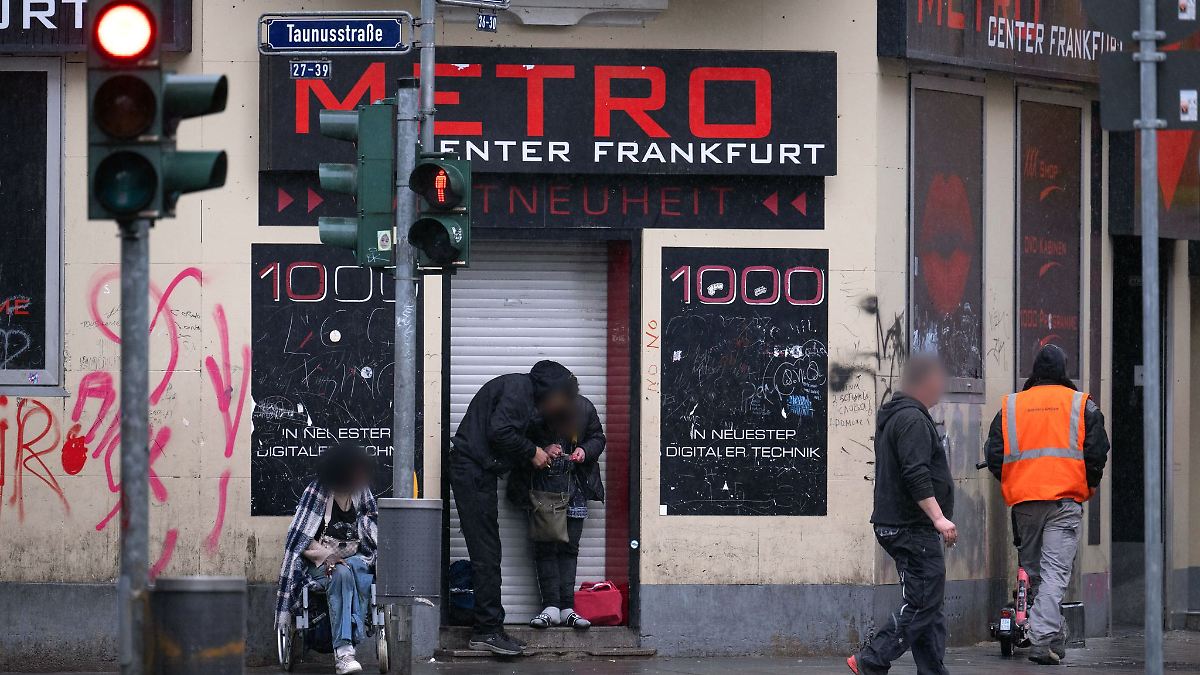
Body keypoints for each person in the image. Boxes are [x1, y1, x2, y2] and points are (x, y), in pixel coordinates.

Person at [984, 344, 1109, 665]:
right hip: (1064, 501)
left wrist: (1015, 480)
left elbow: (994, 454)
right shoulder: (1081, 405)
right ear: (1064, 371)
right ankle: (1041, 639)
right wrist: (1088, 483)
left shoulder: (1011, 407)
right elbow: (1097, 451)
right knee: (1055, 572)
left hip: (1024, 503)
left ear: (1034, 372)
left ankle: (1054, 635)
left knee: (1035, 572)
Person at [449, 360, 580, 655]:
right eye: (561, 398)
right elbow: (500, 432)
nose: (559, 406)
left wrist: (539, 449)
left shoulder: (523, 394)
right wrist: (532, 451)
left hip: (478, 472)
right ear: (552, 389)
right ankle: (485, 631)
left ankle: (492, 627)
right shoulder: (519, 390)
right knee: (486, 553)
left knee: (489, 552)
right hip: (471, 471)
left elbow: (509, 434)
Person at [849, 355, 955, 675]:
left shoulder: (902, 416)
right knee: (922, 603)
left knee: (929, 604)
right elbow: (915, 474)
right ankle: (872, 658)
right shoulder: (912, 420)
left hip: (903, 526)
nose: (943, 387)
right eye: (939, 379)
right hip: (911, 528)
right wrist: (938, 518)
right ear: (925, 382)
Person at [276, 443, 379, 675]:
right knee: (342, 573)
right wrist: (327, 556)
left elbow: (373, 524)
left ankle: (354, 631)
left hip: (355, 558)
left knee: (356, 571)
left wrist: (365, 528)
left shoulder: (362, 493)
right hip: (321, 563)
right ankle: (344, 653)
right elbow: (298, 538)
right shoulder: (316, 492)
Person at [508, 394, 605, 630]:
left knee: (569, 549)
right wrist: (541, 449)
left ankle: (566, 608)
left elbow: (597, 438)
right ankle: (551, 606)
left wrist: (584, 450)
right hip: (544, 490)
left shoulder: (583, 406)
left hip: (576, 487)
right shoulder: (534, 407)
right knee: (546, 547)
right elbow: (517, 440)